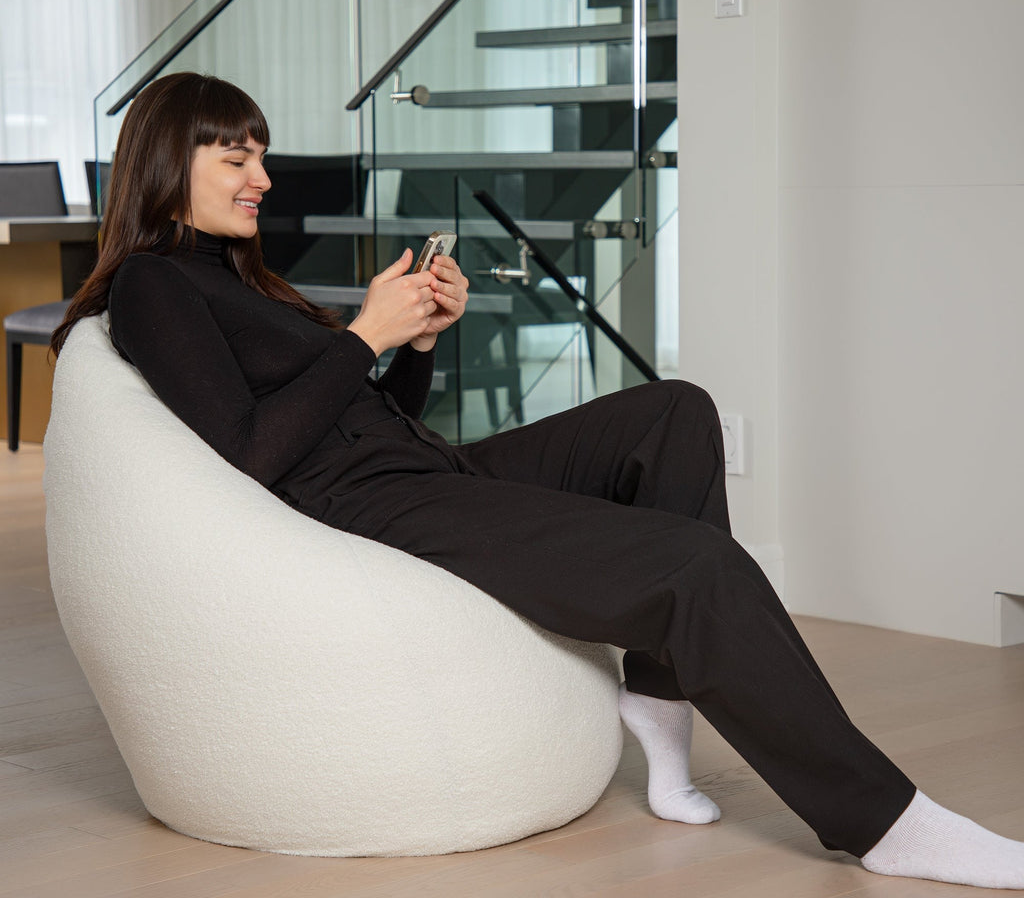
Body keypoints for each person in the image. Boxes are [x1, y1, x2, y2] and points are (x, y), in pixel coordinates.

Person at [52, 72, 1024, 889]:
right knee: (695, 567)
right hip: (369, 504)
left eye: (262, 154)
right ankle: (883, 822)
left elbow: (367, 408)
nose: (262, 177)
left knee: (673, 411)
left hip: (418, 465)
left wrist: (418, 340)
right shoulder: (155, 286)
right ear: (169, 163)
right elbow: (252, 453)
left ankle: (655, 695)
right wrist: (362, 335)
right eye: (238, 158)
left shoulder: (244, 278)